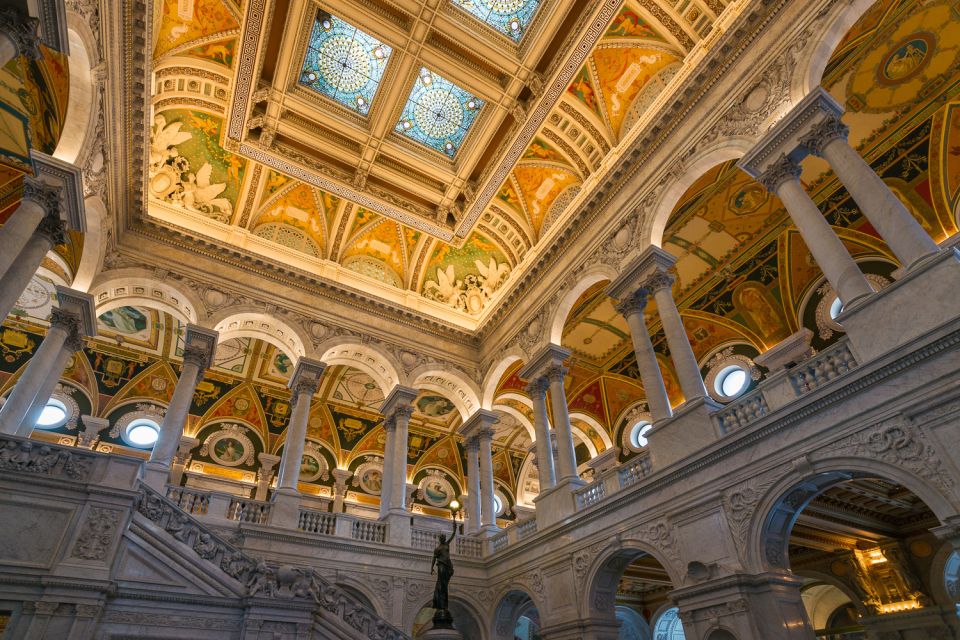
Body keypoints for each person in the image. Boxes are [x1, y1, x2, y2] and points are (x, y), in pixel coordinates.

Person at [430, 517, 457, 617]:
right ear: (440, 539)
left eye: (444, 537)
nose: (444, 538)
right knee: (441, 584)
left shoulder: (447, 544)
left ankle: (444, 604)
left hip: (448, 565)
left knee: (444, 585)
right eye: (442, 537)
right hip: (441, 565)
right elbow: (433, 558)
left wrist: (454, 524)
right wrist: (431, 568)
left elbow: (453, 534)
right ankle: (440, 603)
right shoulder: (437, 549)